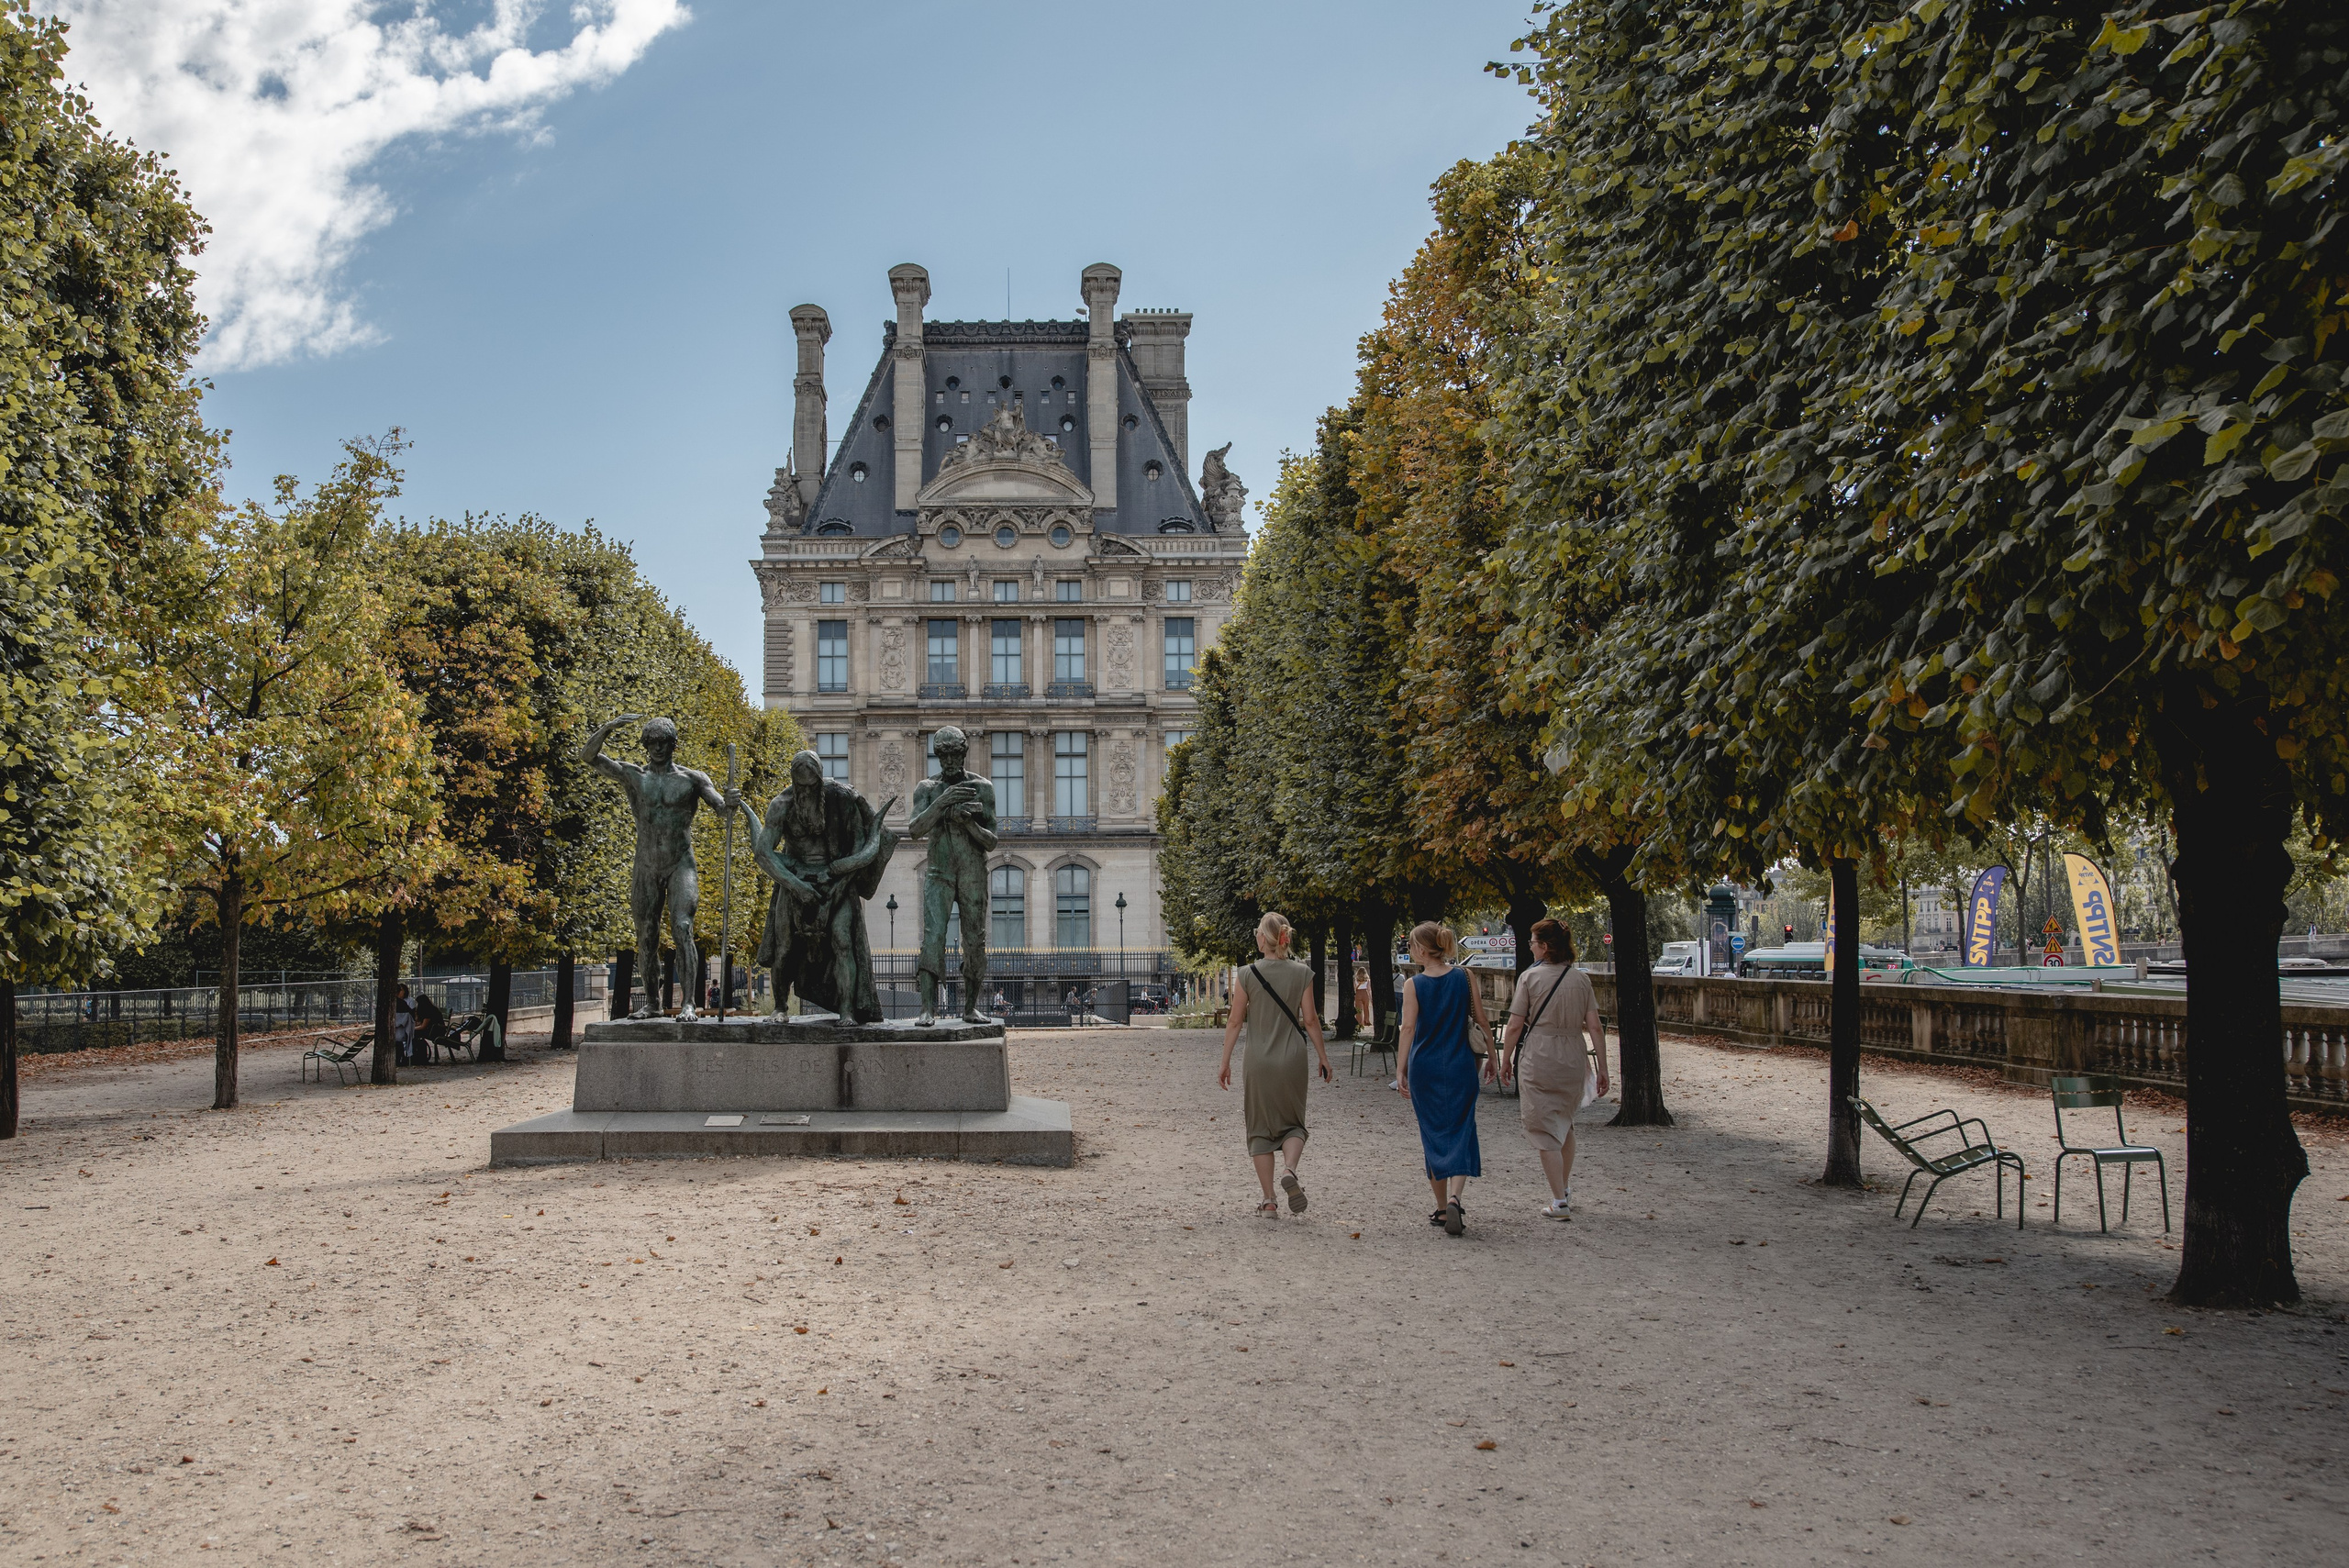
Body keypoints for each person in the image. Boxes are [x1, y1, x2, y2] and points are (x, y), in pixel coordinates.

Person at [1216, 913, 1333, 1216]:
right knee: (1294, 1123)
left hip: (1259, 1061)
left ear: (1263, 938)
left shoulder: (1246, 974)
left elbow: (1234, 1020)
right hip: (1293, 1059)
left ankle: (1269, 1201)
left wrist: (1225, 1061)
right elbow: (1310, 1019)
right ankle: (1290, 1170)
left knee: (1259, 1131)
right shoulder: (1301, 972)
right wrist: (1323, 1057)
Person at [1497, 917, 1610, 1219]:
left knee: (1543, 1128)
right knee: (1565, 1122)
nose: (1530, 946)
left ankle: (1559, 1200)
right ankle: (1564, 1187)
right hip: (1574, 1055)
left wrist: (1505, 1059)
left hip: (1541, 1054)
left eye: (1533, 942)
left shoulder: (1529, 979)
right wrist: (1603, 1068)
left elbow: (1515, 1025)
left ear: (1545, 947)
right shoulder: (1581, 979)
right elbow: (1596, 1028)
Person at [1397, 921, 1490, 1237]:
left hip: (1425, 1066)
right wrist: (1494, 1056)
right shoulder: (1465, 976)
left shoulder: (1414, 985)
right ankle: (1455, 1197)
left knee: (1433, 1133)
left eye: (1411, 946)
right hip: (1462, 1063)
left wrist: (1400, 1069)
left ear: (1422, 950)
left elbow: (1408, 1029)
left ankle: (1440, 1207)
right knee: (1463, 1128)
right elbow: (1480, 1019)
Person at [393, 984, 416, 1065]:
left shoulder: (386, 1004)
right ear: (399, 992)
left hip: (388, 1033)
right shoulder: (403, 1004)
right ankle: (402, 1059)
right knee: (398, 1041)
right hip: (402, 1033)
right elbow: (411, 1017)